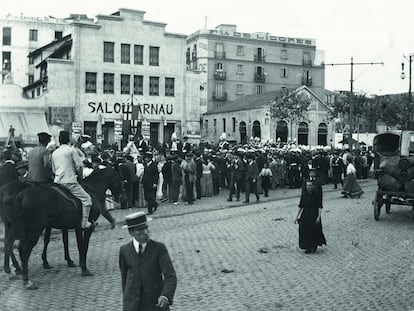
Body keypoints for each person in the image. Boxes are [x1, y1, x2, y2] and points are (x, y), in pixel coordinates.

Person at [119, 211, 177, 311]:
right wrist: (127, 299)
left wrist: (165, 296)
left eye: (146, 228)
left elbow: (170, 276)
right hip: (133, 305)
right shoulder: (125, 250)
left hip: (155, 303)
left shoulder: (159, 248)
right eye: (140, 230)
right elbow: (124, 278)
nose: (145, 232)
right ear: (131, 232)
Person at [51, 131, 93, 229]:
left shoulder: (54, 152)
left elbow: (53, 169)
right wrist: (79, 176)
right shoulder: (71, 150)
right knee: (87, 199)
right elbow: (79, 166)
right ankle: (84, 222)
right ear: (68, 139)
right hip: (70, 181)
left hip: (57, 182)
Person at [294, 180, 326, 253]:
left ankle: (313, 246)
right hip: (305, 214)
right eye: (307, 185)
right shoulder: (304, 195)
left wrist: (319, 216)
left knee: (312, 230)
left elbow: (319, 206)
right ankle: (306, 246)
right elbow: (301, 206)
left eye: (310, 185)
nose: (308, 187)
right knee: (303, 229)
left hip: (314, 213)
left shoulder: (316, 195)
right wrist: (296, 217)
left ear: (313, 186)